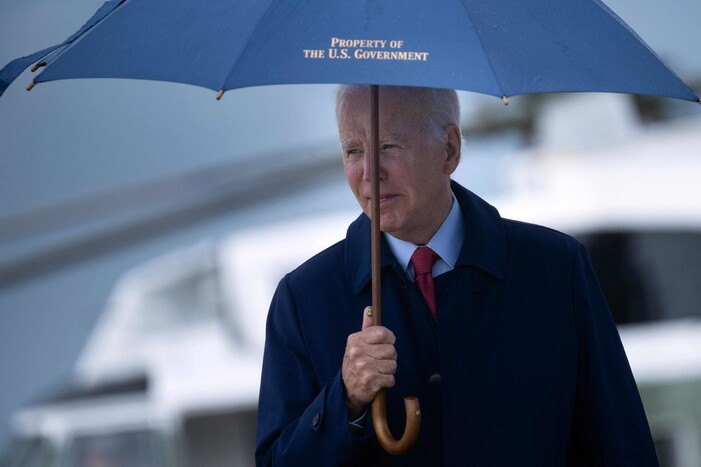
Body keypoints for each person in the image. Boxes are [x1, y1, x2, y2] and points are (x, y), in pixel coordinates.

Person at [255, 85, 659, 466]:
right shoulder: (302, 299)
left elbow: (621, 446)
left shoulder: (556, 268)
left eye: (388, 146)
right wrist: (344, 400)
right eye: (352, 150)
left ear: (449, 149)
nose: (368, 173)